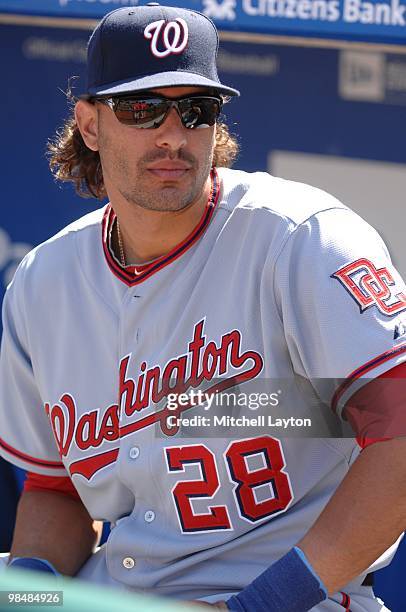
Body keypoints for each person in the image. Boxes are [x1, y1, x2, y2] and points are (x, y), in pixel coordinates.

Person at [1, 4, 406, 611]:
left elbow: (398, 433)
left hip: (300, 597)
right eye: (142, 108)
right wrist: (31, 596)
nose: (172, 134)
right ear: (89, 125)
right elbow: (57, 489)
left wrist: (261, 605)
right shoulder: (43, 282)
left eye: (195, 110)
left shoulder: (300, 238)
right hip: (126, 595)